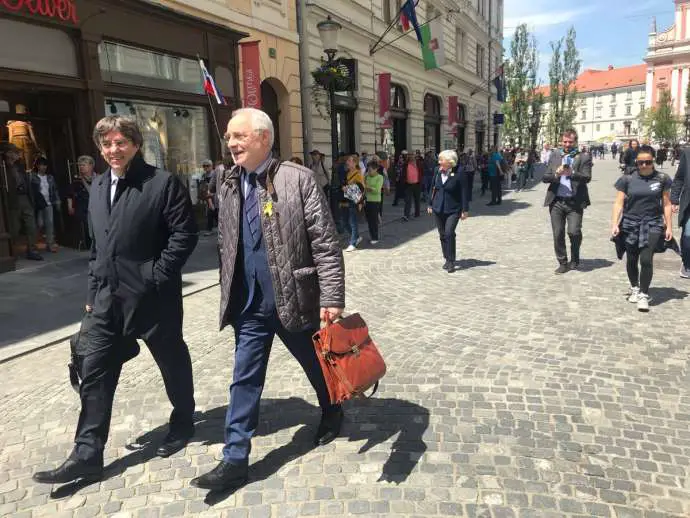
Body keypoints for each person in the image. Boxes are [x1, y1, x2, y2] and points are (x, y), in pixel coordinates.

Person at [32, 116, 199, 485]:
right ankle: (88, 453)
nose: (113, 150)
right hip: (108, 300)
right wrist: (93, 295)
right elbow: (98, 249)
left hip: (153, 298)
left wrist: (155, 276)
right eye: (106, 144)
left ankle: (184, 419)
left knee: (171, 362)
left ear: (136, 144)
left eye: (120, 142)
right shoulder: (98, 186)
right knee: (94, 371)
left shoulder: (161, 183)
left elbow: (183, 235)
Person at [190, 108, 345, 492]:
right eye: (228, 137)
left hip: (294, 299)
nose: (231, 143)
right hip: (248, 305)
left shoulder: (298, 179)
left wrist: (332, 297)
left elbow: (325, 244)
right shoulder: (228, 183)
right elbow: (227, 241)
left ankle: (332, 408)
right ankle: (235, 459)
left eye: (239, 136)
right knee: (243, 380)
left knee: (315, 366)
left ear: (263, 138)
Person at [611, 145, 673, 311]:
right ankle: (634, 287)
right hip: (630, 223)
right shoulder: (627, 179)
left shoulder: (662, 179)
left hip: (653, 223)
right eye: (640, 162)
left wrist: (669, 227)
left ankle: (644, 294)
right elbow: (618, 203)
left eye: (647, 162)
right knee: (631, 258)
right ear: (636, 162)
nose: (644, 165)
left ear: (653, 161)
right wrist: (615, 224)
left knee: (646, 259)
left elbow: (667, 204)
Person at [542, 128, 592, 274]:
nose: (567, 144)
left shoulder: (583, 157)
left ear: (575, 141)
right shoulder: (555, 154)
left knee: (574, 232)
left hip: (575, 202)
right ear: (561, 141)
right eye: (565, 141)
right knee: (558, 233)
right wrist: (556, 175)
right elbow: (545, 177)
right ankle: (562, 262)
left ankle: (575, 257)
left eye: (570, 142)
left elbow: (587, 177)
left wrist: (573, 174)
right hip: (556, 201)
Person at [427, 150, 469, 273]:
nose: (439, 162)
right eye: (439, 160)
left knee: (449, 232)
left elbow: (464, 192)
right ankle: (446, 257)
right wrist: (430, 203)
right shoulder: (437, 170)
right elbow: (433, 188)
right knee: (442, 234)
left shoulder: (459, 172)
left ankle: (451, 261)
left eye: (441, 160)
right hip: (438, 207)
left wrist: (465, 210)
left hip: (454, 209)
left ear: (450, 162)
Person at [1, 142, 42, 260]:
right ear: (8, 153)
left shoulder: (19, 165)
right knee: (14, 227)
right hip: (12, 198)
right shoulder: (3, 166)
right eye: (14, 152)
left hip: (25, 197)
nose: (17, 155)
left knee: (31, 225)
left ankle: (32, 250)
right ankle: (12, 252)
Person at [67, 155, 96, 249]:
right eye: (80, 165)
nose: (81, 167)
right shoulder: (77, 180)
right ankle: (89, 246)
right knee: (89, 229)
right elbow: (70, 195)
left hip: (97, 207)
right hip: (84, 208)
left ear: (91, 166)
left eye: (83, 165)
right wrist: (70, 206)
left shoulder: (99, 178)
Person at [672, 145, 690, 278]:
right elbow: (679, 178)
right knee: (688, 235)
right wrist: (674, 199)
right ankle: (687, 262)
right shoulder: (687, 153)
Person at [342, 154, 365, 251]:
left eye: (350, 161)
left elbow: (362, 189)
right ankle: (357, 236)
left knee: (353, 222)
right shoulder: (347, 173)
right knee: (345, 222)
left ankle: (353, 243)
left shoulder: (358, 174)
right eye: (347, 161)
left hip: (354, 201)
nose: (347, 162)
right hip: (347, 199)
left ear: (355, 163)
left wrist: (360, 203)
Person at [364, 160, 384, 244]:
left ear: (376, 169)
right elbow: (363, 186)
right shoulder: (367, 176)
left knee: (373, 220)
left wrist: (369, 188)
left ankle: (375, 237)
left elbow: (377, 190)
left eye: (371, 170)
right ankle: (372, 236)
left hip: (375, 201)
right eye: (368, 170)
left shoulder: (380, 177)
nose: (369, 172)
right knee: (369, 220)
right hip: (367, 200)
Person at [402, 152, 422, 221]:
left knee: (417, 200)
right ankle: (406, 215)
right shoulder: (406, 164)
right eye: (409, 155)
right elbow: (403, 173)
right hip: (408, 184)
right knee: (408, 200)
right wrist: (404, 181)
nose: (410, 156)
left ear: (414, 156)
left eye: (412, 155)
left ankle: (417, 213)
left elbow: (422, 172)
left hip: (417, 184)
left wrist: (421, 180)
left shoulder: (418, 163)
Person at [201, 159, 218, 236]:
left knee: (216, 211)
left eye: (207, 166)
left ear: (211, 166)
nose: (206, 167)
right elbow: (204, 187)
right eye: (204, 166)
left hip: (215, 195)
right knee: (210, 212)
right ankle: (209, 228)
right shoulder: (204, 176)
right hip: (208, 196)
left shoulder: (215, 173)